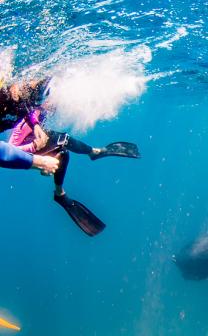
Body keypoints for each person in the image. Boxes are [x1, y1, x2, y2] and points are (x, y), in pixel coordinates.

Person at [1, 77, 140, 236]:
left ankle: (60, 192)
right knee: (63, 141)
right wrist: (37, 158)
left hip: (28, 138)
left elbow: (25, 106)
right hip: (19, 148)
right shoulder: (12, 98)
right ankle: (94, 153)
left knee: (62, 153)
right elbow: (10, 148)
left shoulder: (20, 96)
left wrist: (37, 125)